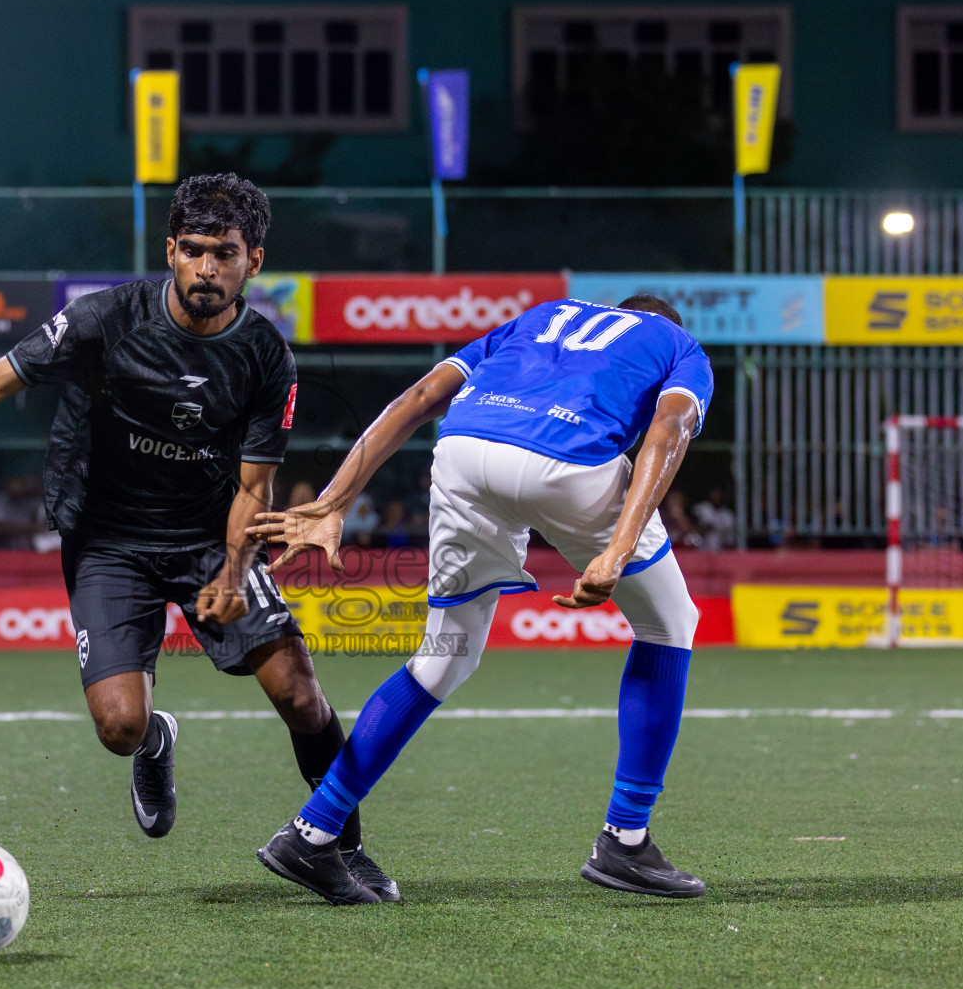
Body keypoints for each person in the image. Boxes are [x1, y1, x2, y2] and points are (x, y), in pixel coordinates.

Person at [0, 173, 396, 899]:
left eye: (225, 253)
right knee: (118, 726)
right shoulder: (103, 321)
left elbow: (254, 487)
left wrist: (232, 567)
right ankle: (156, 737)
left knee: (301, 693)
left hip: (212, 537)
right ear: (171, 250)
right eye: (193, 250)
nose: (206, 268)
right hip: (108, 538)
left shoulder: (265, 358)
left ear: (254, 261)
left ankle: (344, 846)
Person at [250, 293, 712, 904]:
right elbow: (670, 427)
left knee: (442, 658)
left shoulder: (541, 317)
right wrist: (618, 549)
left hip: (465, 452)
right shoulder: (679, 345)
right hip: (568, 466)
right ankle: (625, 840)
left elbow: (416, 400)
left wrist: (334, 499)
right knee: (669, 625)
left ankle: (314, 829)